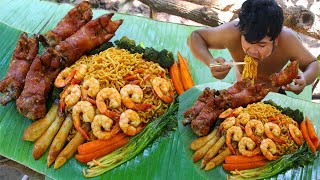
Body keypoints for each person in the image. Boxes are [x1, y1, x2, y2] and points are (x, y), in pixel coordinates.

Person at [187, 0, 320, 94]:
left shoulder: (288, 40)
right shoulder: (233, 32)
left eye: (262, 45)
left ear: (276, 39)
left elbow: (313, 64)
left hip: (272, 96)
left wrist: (305, 79)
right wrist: (210, 62)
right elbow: (195, 37)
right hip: (239, 93)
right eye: (248, 42)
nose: (252, 51)